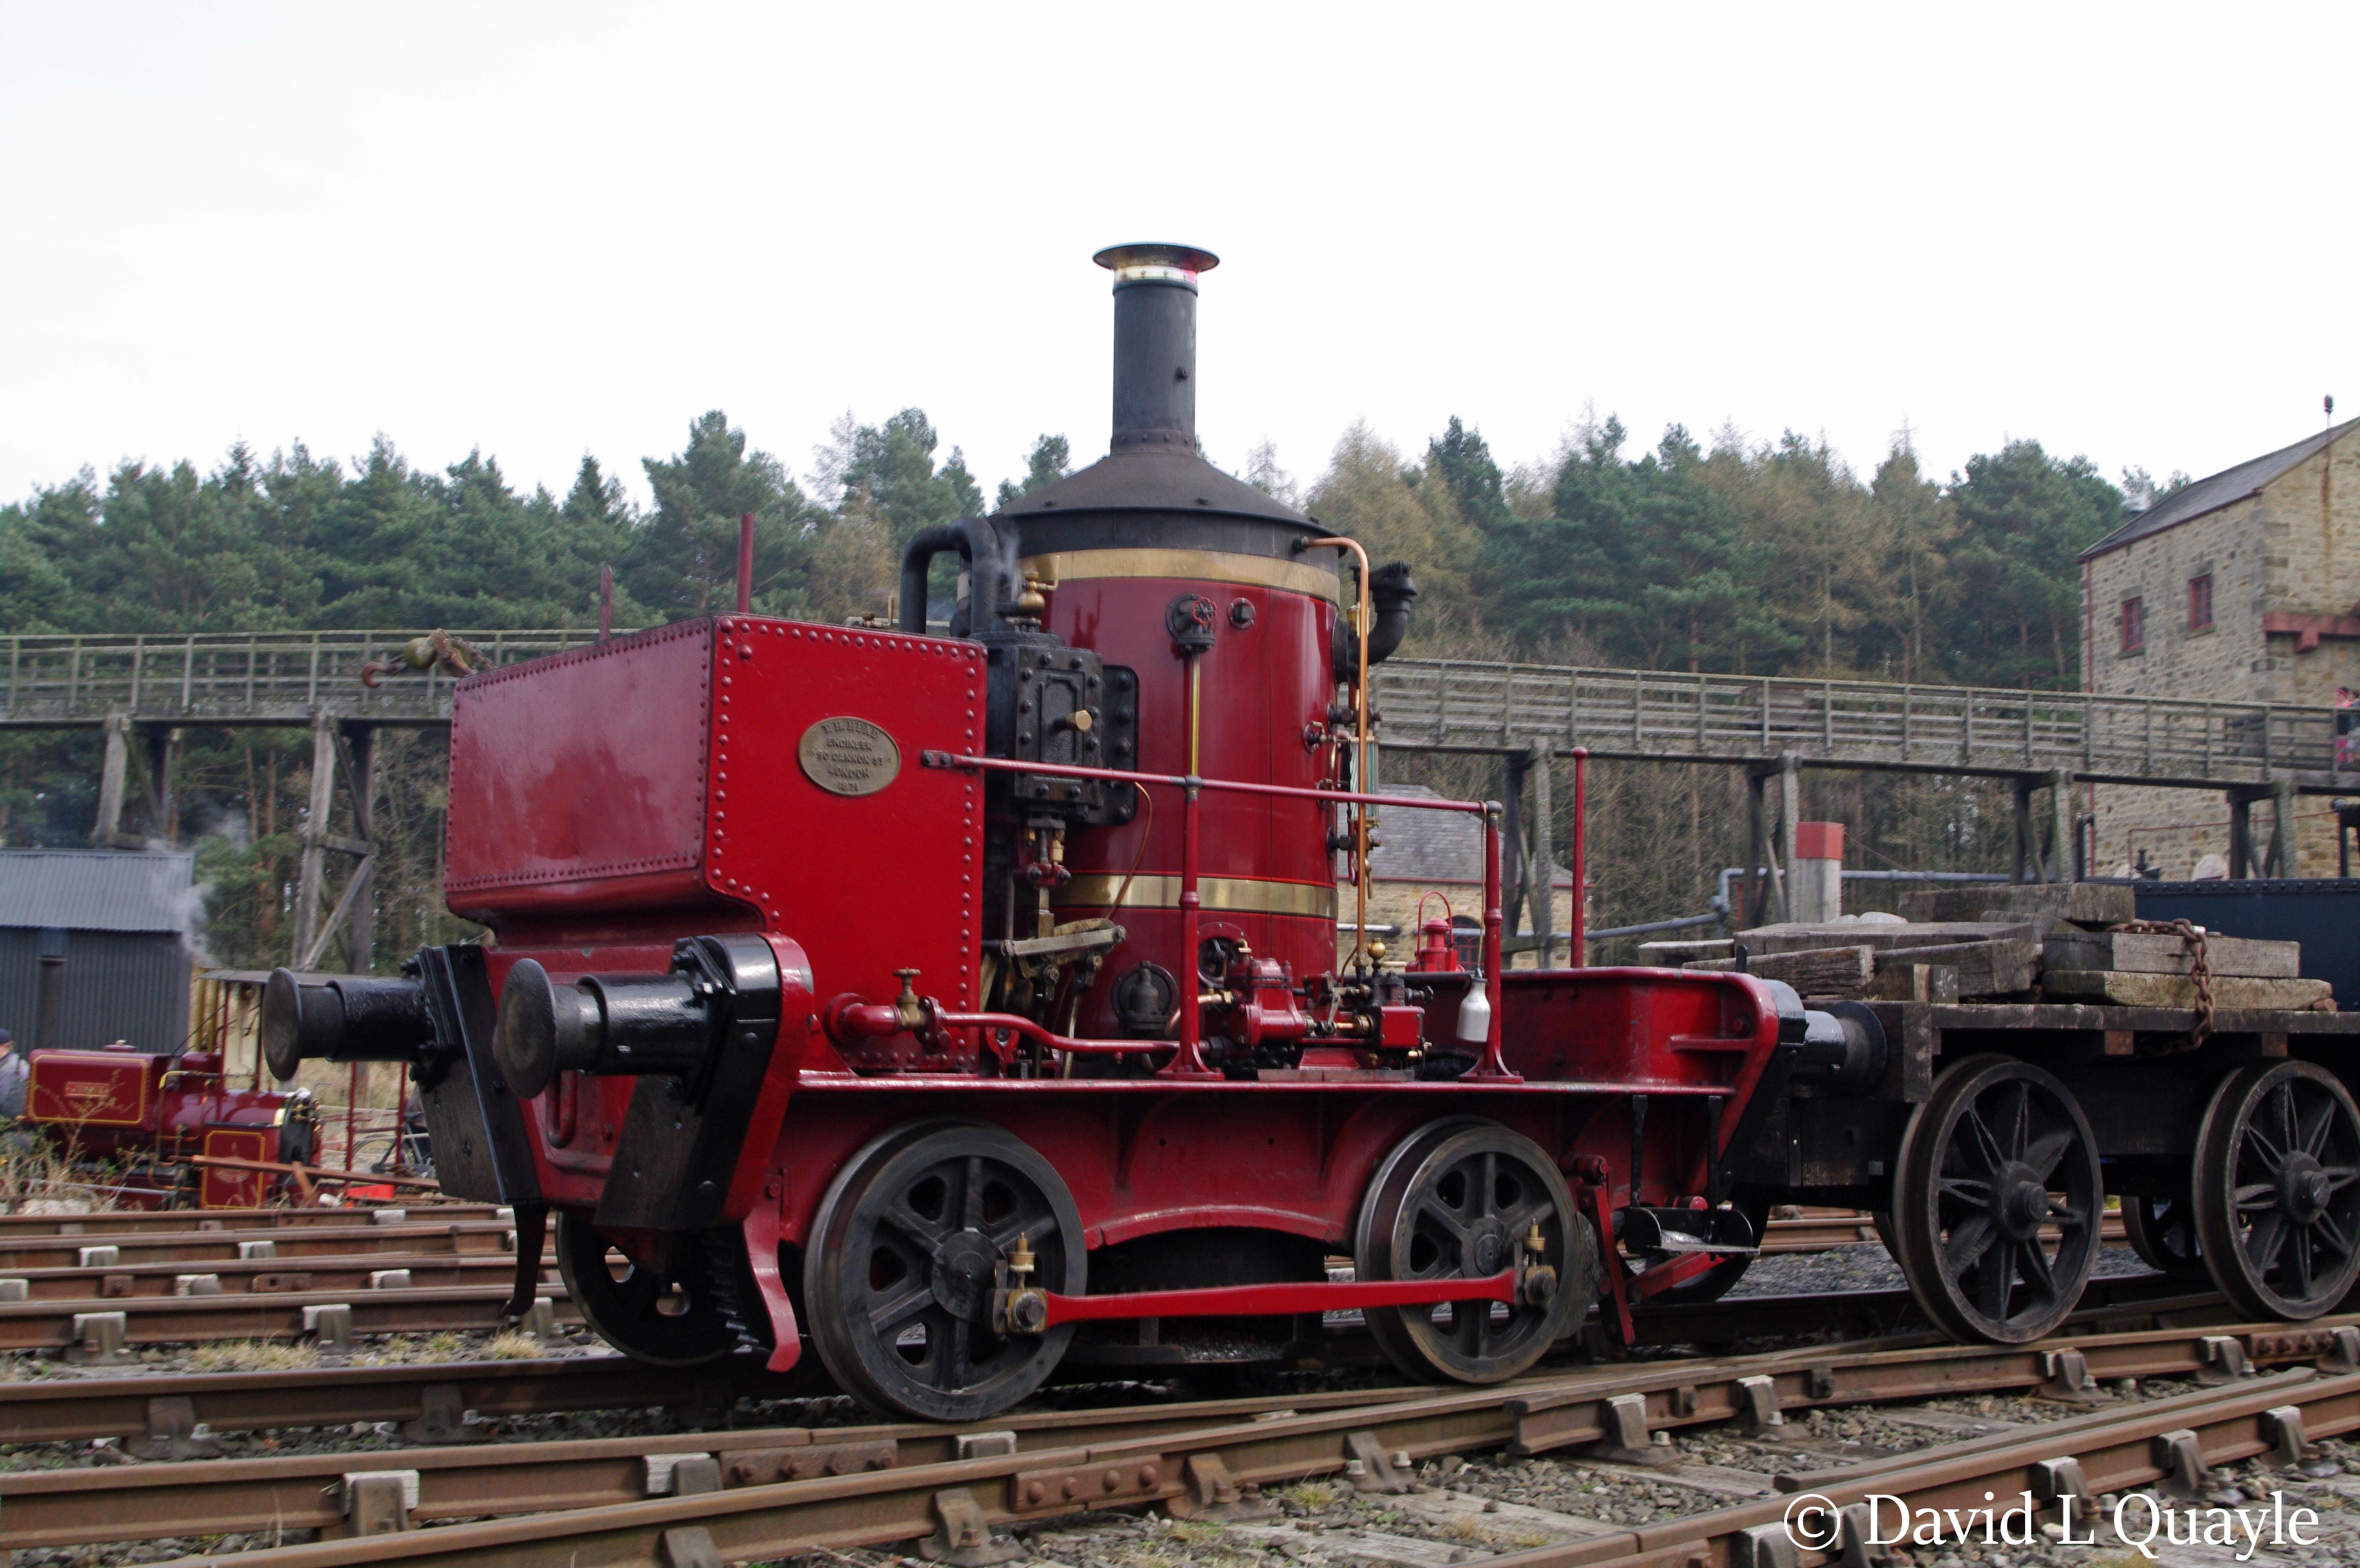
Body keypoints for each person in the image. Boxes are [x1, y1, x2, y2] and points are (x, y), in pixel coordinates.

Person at [0, 1030, 25, 1118]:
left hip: (12, 1123)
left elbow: (3, 1101)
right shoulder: (14, 1061)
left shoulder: (9, 1069)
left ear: (5, 1046)